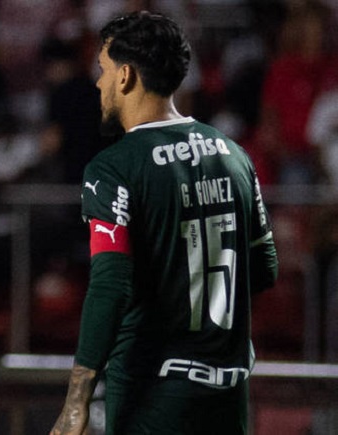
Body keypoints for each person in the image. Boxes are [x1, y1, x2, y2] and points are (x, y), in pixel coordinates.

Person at [51, 11, 278, 435]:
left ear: (125, 76)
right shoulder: (234, 155)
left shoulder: (113, 167)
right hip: (228, 395)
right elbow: (265, 268)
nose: (98, 83)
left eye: (102, 70)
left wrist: (76, 400)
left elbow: (110, 284)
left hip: (152, 393)